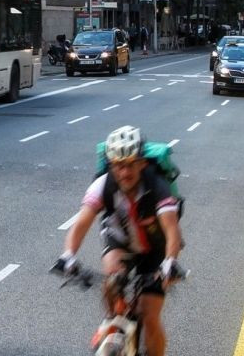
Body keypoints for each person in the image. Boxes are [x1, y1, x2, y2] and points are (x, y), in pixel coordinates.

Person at [55, 126, 183, 354]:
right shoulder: (103, 185)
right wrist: (68, 256)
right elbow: (81, 224)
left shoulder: (158, 187)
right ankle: (114, 318)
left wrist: (170, 263)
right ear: (111, 166)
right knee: (112, 280)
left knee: (150, 315)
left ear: (142, 163)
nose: (125, 172)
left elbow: (172, 230)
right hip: (120, 240)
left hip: (156, 248)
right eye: (118, 165)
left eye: (131, 164)